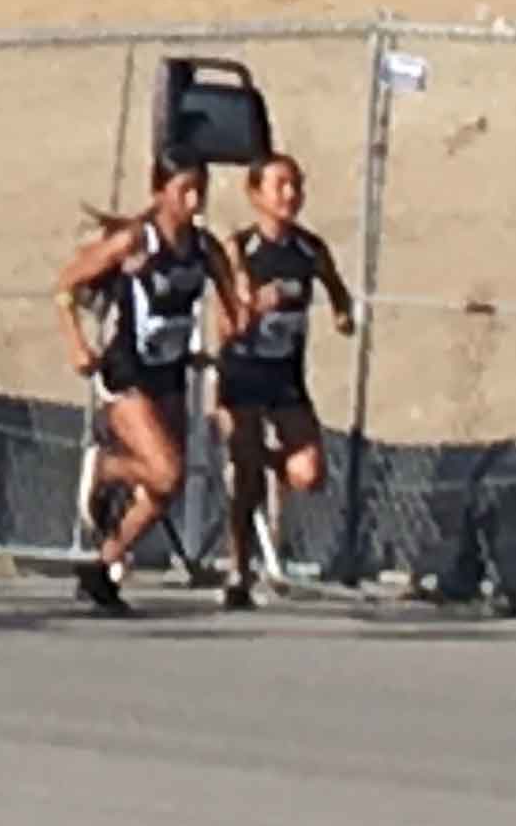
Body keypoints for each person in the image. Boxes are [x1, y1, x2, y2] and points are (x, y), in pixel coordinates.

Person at [58, 160, 247, 616]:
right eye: (184, 190)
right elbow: (67, 283)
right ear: (159, 190)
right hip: (127, 371)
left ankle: (103, 568)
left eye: (200, 190)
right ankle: (104, 468)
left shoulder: (204, 247)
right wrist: (76, 343)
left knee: (165, 490)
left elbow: (232, 306)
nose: (194, 201)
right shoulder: (135, 241)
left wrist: (239, 320)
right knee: (166, 472)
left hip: (171, 372)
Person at [214, 155, 352, 610]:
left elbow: (334, 286)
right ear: (256, 195)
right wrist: (254, 307)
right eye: (280, 186)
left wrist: (341, 313)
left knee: (308, 472)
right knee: (246, 478)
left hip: (286, 378)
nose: (290, 195)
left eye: (296, 185)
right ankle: (239, 569)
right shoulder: (238, 249)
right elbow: (225, 326)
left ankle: (268, 463)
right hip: (243, 376)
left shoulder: (310, 249)